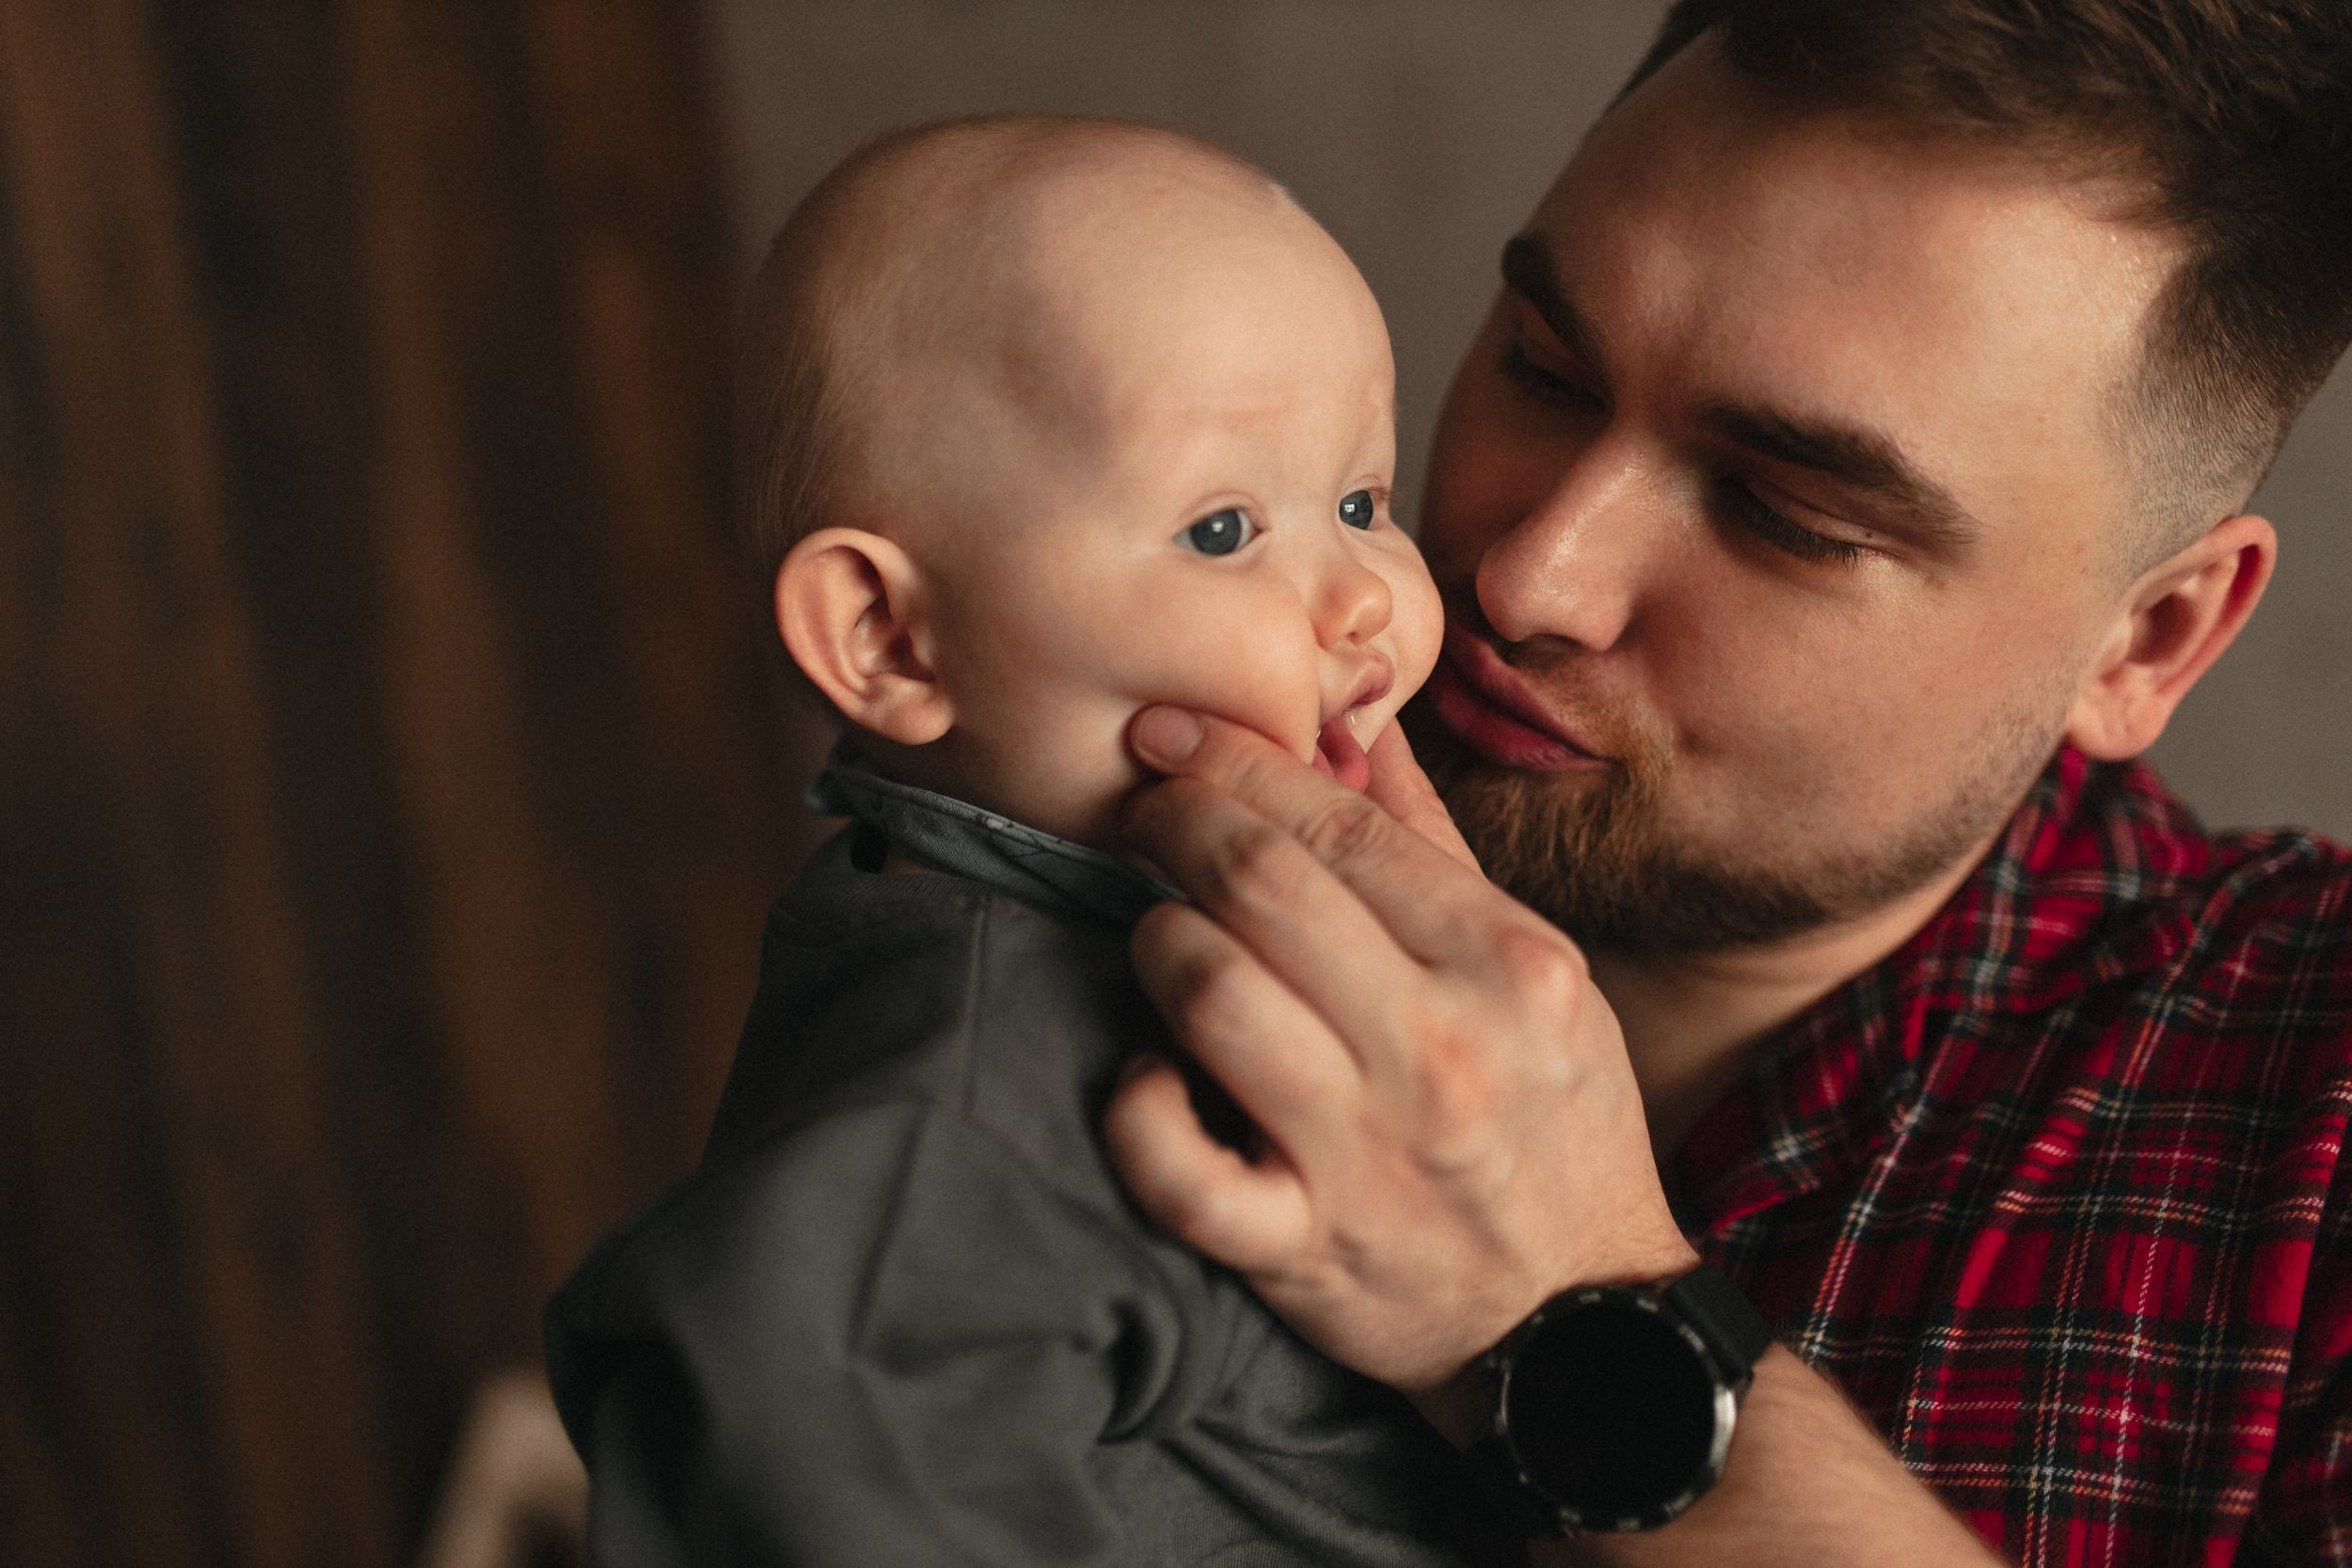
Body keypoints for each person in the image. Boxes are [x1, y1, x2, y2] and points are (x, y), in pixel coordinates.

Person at [1098, 3, 2352, 1565]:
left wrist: (1567, 1305)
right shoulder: (1098, 839)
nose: (1530, 569)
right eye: (1548, 370)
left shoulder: (2315, 1130)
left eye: (1784, 512)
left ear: (2149, 640)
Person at [542, 115, 1518, 1566]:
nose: (1366, 596)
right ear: (888, 638)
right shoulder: (987, 1072)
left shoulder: (1123, 925)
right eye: (1224, 530)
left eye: (1362, 502)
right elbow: (783, 1380)